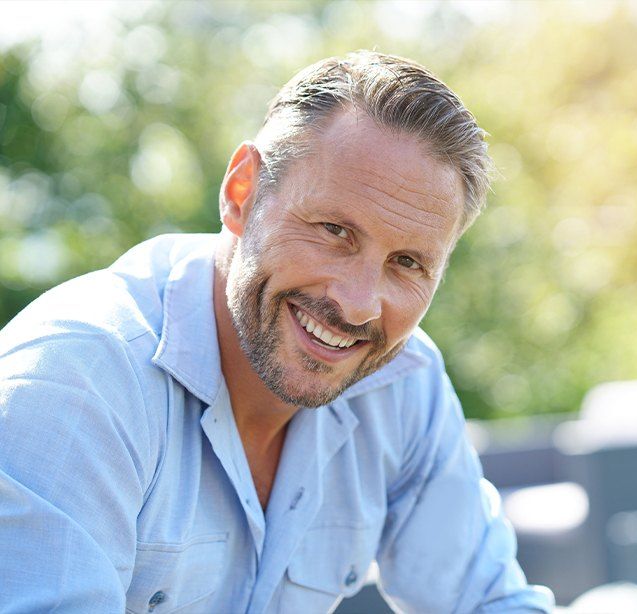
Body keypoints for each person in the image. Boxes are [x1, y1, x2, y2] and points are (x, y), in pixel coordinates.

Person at [0, 51, 554, 613]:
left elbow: (491, 601)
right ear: (242, 192)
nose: (359, 305)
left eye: (407, 263)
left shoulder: (403, 385)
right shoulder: (76, 383)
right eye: (334, 231)